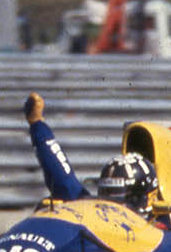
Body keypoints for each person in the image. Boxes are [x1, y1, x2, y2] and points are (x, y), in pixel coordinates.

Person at [22, 92, 163, 219]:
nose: (113, 209)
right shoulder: (94, 214)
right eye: (108, 198)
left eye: (122, 201)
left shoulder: (169, 228)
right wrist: (37, 125)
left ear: (148, 198)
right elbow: (62, 178)